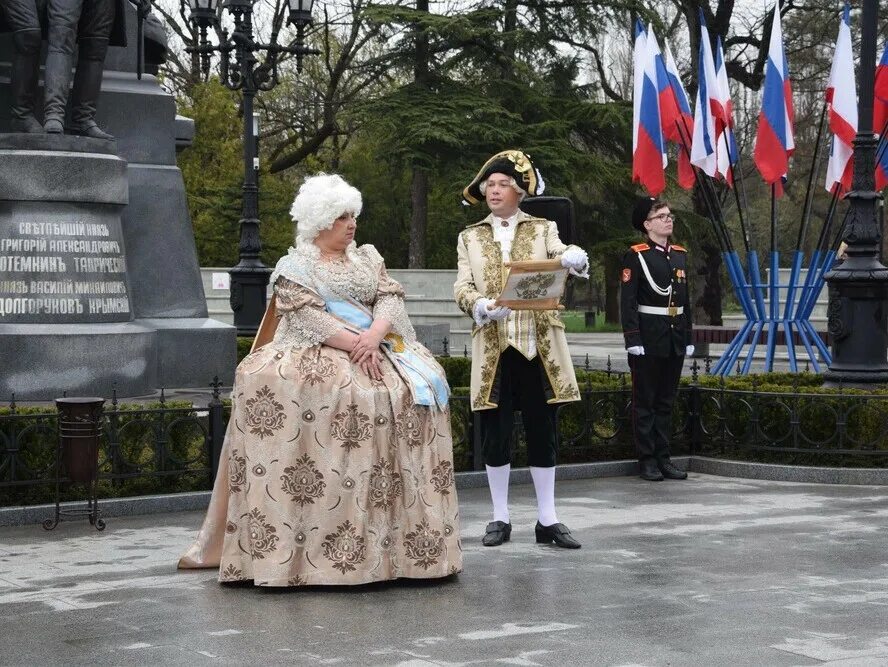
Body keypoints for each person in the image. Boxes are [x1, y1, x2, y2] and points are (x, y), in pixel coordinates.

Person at [179, 174, 462, 586]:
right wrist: (357, 345)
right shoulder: (296, 266)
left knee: (411, 391)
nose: (352, 224)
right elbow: (308, 317)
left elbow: (389, 296)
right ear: (320, 220)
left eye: (353, 216)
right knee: (329, 394)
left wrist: (374, 336)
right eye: (342, 217)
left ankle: (404, 551)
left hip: (375, 343)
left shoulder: (368, 256)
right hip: (318, 352)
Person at [454, 149, 588, 549]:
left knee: (542, 428)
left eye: (501, 185)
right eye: (488, 186)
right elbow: (463, 286)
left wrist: (572, 258)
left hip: (537, 343)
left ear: (518, 191)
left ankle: (547, 519)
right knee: (495, 433)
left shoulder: (542, 227)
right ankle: (500, 517)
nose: (493, 191)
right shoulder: (470, 236)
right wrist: (478, 305)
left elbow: (559, 256)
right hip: (495, 344)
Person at [620, 196, 693, 482]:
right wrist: (632, 339)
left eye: (669, 214)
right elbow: (628, 302)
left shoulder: (679, 254)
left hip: (673, 336)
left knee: (666, 402)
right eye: (661, 216)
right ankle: (647, 459)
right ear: (647, 224)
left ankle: (665, 458)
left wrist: (688, 335)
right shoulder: (636, 255)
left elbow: (686, 298)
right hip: (648, 339)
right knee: (645, 402)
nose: (668, 219)